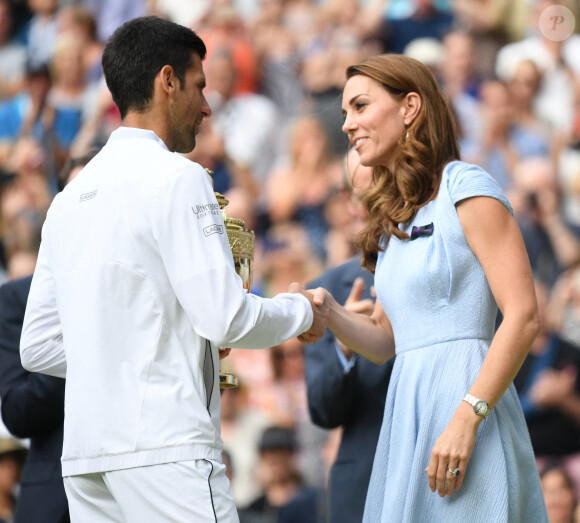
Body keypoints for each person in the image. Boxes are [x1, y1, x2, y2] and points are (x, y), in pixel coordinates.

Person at [19, 16, 327, 522]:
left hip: (86, 460)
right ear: (167, 81)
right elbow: (226, 320)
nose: (207, 106)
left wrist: (131, 351)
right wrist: (301, 312)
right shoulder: (179, 178)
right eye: (199, 86)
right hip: (167, 450)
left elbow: (38, 346)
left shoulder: (68, 197)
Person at [311, 53, 548, 521]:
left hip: (469, 413)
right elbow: (386, 343)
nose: (347, 124)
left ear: (410, 107)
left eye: (359, 106)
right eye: (345, 113)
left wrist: (466, 418)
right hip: (408, 422)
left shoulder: (468, 187)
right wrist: (328, 313)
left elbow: (524, 316)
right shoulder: (392, 217)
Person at [304, 147, 394, 523]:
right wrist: (346, 345)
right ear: (348, 200)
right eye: (367, 194)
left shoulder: (446, 267)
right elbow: (323, 411)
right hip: (366, 485)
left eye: (387, 190)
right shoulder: (326, 290)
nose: (380, 204)